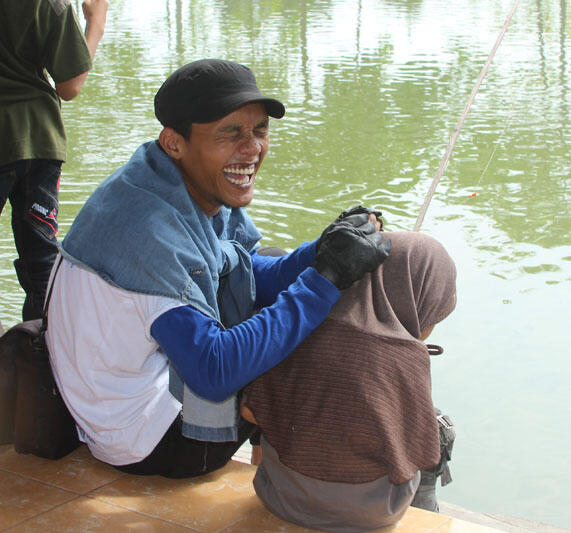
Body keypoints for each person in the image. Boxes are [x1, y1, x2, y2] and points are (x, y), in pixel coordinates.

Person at [44, 58, 391, 478]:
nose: (252, 149)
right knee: (320, 337)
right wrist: (328, 278)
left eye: (259, 130)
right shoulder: (149, 231)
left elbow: (248, 271)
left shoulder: (170, 182)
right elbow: (214, 370)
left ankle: (281, 460)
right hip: (149, 442)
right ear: (174, 142)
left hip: (124, 406)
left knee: (286, 272)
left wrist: (325, 248)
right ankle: (307, 487)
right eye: (230, 133)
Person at [243, 230, 457, 532]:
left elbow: (250, 411)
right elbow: (423, 451)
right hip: (374, 515)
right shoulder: (409, 357)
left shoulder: (307, 324)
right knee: (437, 430)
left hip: (281, 499)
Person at [0, 0, 108, 321]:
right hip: (38, 141)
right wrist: (96, 24)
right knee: (42, 262)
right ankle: (41, 353)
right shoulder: (50, 4)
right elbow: (70, 85)